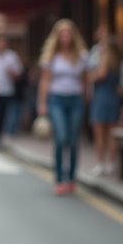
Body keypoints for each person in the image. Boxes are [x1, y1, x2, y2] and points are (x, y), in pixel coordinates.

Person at [37, 19, 89, 195]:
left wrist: (87, 100)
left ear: (73, 36)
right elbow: (45, 81)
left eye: (68, 34)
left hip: (76, 100)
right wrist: (42, 103)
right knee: (62, 138)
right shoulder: (52, 56)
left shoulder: (82, 56)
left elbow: (85, 80)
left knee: (74, 141)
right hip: (56, 99)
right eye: (62, 34)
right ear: (57, 37)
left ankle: (71, 177)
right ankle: (59, 178)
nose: (65, 37)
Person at [89, 36, 122, 175]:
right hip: (113, 98)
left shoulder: (104, 62)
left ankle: (101, 163)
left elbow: (99, 76)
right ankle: (112, 164)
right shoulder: (118, 63)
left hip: (102, 98)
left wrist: (91, 75)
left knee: (100, 135)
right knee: (111, 134)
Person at [0, 34, 23, 145]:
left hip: (6, 91)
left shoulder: (12, 56)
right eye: (0, 42)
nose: (2, 44)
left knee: (2, 115)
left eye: (4, 42)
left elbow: (18, 74)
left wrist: (12, 73)